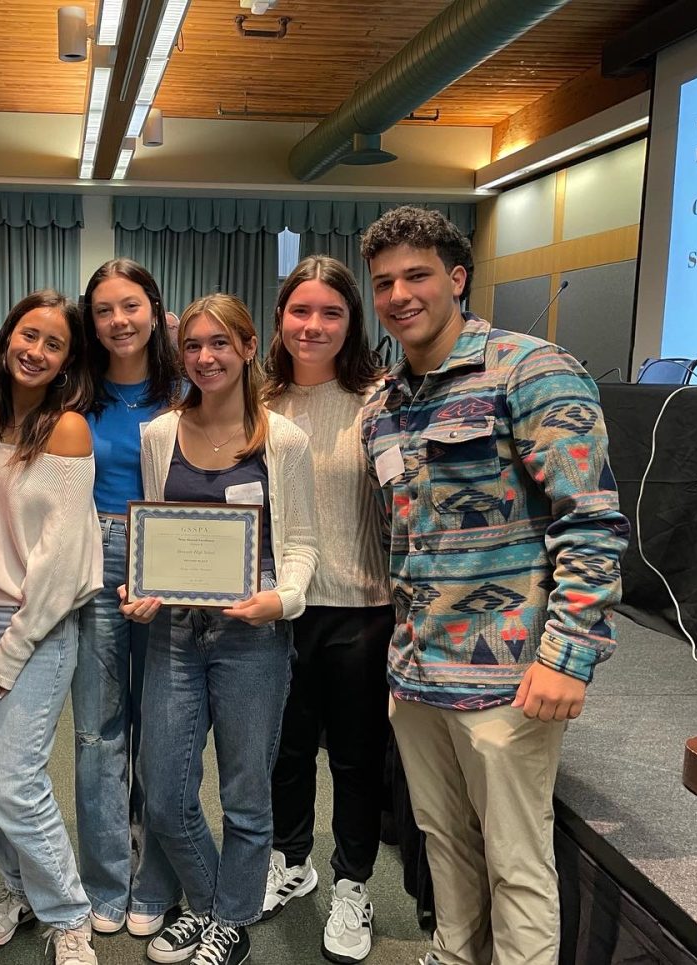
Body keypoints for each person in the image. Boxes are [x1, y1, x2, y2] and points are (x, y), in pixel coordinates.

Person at [358, 206, 629, 965]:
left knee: (517, 863)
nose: (400, 294)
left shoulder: (533, 369)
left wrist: (567, 656)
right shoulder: (382, 405)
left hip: (510, 678)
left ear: (457, 277)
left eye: (416, 275)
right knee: (444, 845)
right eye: (384, 282)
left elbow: (592, 523)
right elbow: (398, 543)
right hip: (416, 674)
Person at [122, 293, 318, 965]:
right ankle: (212, 903)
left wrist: (283, 598)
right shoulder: (160, 434)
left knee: (245, 793)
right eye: (195, 345)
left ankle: (228, 921)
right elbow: (151, 532)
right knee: (166, 789)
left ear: (246, 347)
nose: (206, 357)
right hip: (174, 634)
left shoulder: (283, 439)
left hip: (253, 637)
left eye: (219, 344)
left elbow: (302, 548)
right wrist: (140, 589)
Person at [0, 290, 103, 965]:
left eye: (54, 344)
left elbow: (60, 561)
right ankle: (18, 889)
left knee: (16, 780)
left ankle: (70, 913)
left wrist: (8, 652)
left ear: (68, 362)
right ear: (6, 334)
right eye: (29, 334)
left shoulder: (67, 428)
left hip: (35, 630)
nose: (36, 351)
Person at [259, 256, 394, 964]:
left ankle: (352, 880)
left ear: (352, 323)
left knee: (355, 755)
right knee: (282, 748)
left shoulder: (381, 400)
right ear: (280, 317)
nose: (313, 325)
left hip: (361, 608)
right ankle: (290, 859)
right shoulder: (257, 402)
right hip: (280, 609)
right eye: (301, 310)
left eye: (331, 312)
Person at [74, 258, 181, 938]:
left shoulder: (187, 388)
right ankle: (106, 881)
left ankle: (159, 878)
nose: (119, 319)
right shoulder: (73, 391)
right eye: (105, 308)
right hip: (94, 551)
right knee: (99, 729)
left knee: (167, 729)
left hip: (174, 551)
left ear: (154, 308)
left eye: (131, 305)